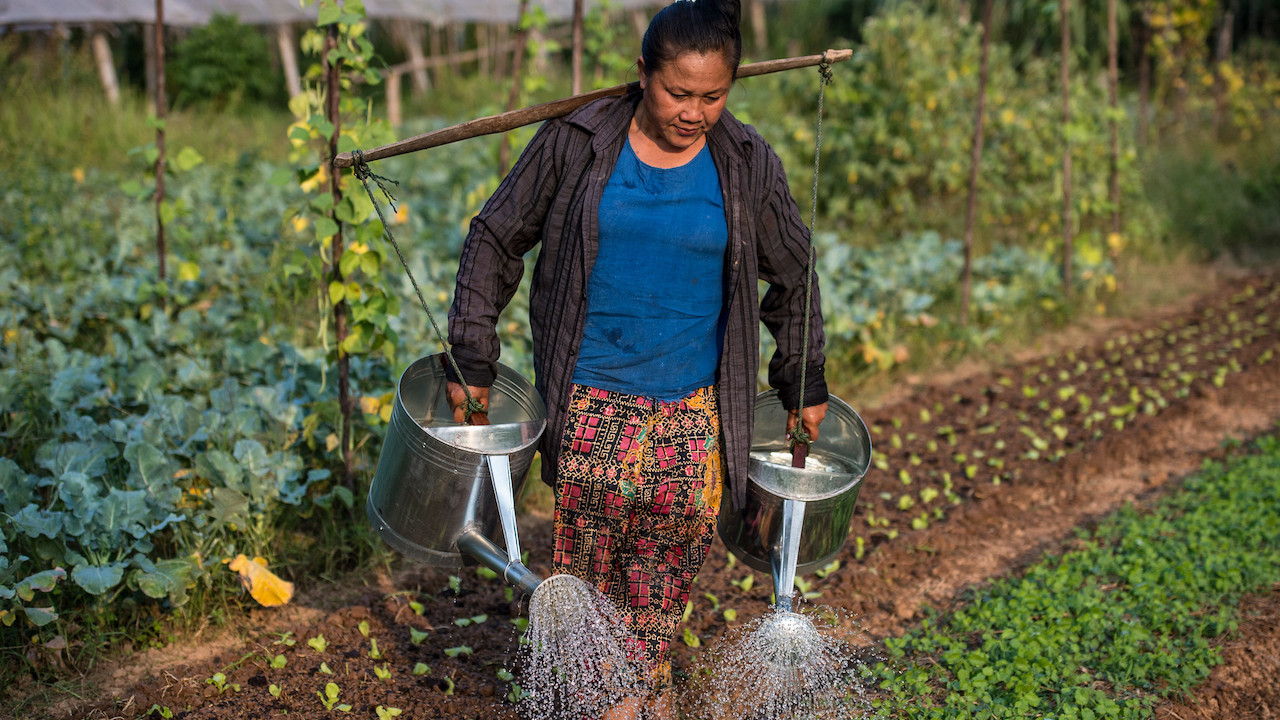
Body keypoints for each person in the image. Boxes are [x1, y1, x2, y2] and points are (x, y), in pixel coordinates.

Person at [445, 0, 828, 713]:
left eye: (713, 96)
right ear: (642, 75)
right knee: (590, 572)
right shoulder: (577, 142)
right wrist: (470, 352)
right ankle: (611, 696)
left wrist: (803, 376)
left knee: (665, 564)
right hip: (592, 396)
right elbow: (496, 236)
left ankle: (634, 691)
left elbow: (794, 271)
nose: (694, 112)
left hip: (693, 406)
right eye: (678, 92)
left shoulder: (745, 163)